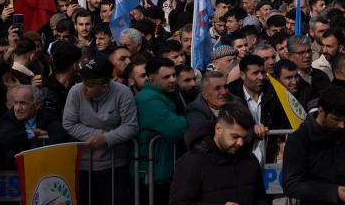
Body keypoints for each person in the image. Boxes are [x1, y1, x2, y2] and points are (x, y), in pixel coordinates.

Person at [62, 58, 139, 205]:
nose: (84, 87)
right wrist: (98, 135)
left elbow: (131, 126)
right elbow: (69, 123)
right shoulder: (75, 91)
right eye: (83, 81)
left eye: (90, 85)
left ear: (104, 87)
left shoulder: (123, 93)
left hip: (115, 165)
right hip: (83, 165)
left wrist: (107, 138)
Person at [169, 102, 267, 205]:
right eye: (235, 136)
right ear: (218, 129)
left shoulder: (249, 159)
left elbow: (261, 199)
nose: (240, 143)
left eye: (244, 137)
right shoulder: (192, 162)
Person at [283, 86, 345, 204]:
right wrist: (333, 192)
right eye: (336, 119)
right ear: (321, 111)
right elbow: (291, 185)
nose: (342, 125)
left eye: (344, 119)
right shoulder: (299, 139)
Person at [135, 57, 188, 205]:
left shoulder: (167, 94)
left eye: (173, 75)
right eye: (166, 77)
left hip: (164, 170)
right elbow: (175, 129)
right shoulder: (148, 100)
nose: (172, 80)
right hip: (154, 174)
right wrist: (188, 120)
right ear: (151, 79)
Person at [0, 85, 68, 168]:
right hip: (15, 171)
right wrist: (33, 133)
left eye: (22, 103)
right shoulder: (9, 117)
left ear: (37, 105)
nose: (17, 108)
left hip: (43, 168)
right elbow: (5, 137)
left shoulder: (46, 116)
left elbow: (60, 134)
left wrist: (46, 158)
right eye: (16, 103)